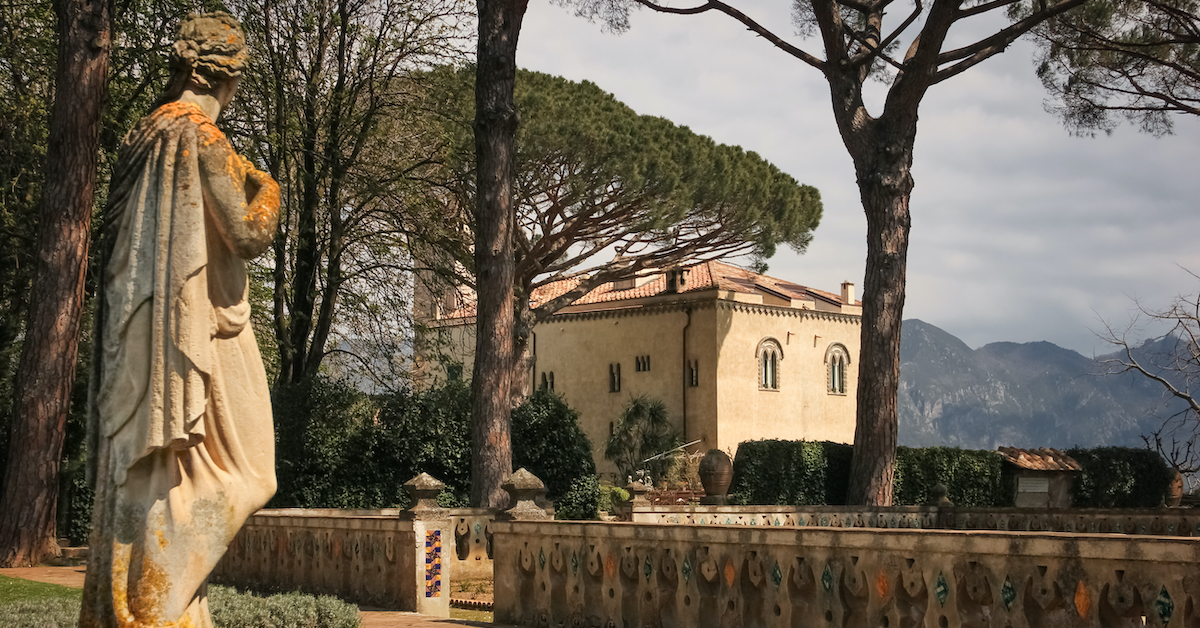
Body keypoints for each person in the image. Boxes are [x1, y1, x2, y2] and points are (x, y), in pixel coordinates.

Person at [80, 13, 279, 627]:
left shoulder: (141, 138)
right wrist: (270, 188)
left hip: (136, 340)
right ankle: (159, 599)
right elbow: (247, 234)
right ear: (226, 80)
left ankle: (153, 597)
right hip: (197, 329)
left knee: (158, 472)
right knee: (251, 469)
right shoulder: (204, 139)